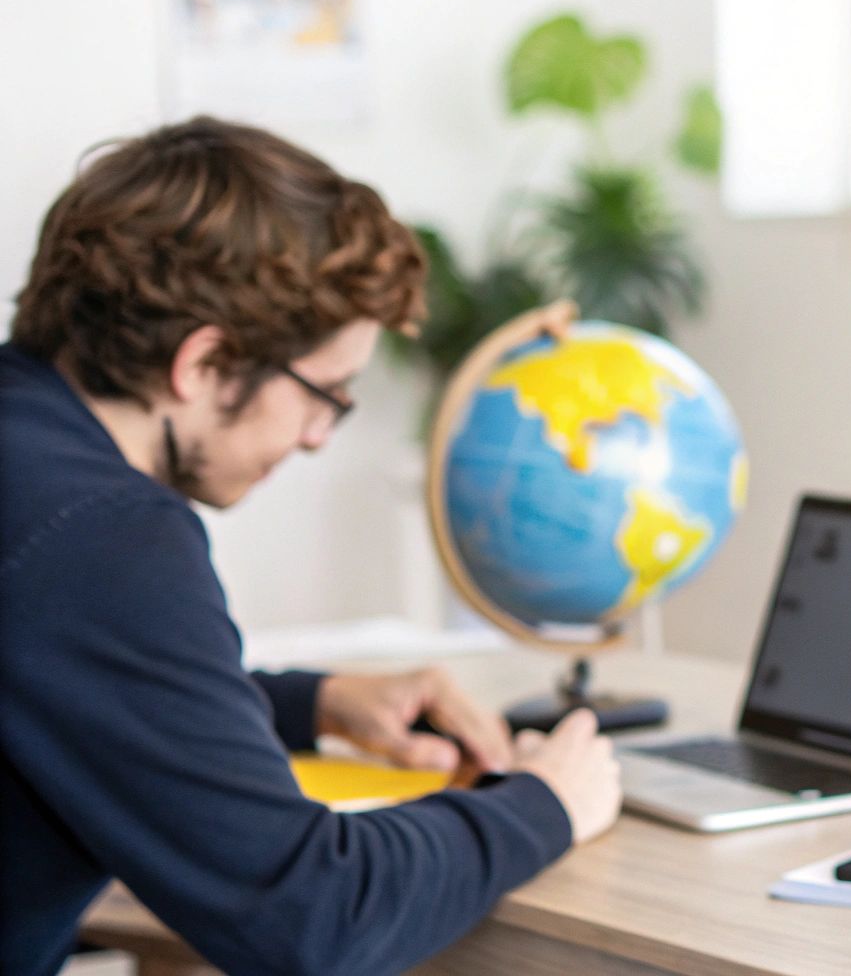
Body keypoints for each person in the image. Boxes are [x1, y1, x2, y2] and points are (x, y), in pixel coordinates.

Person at [0, 117, 623, 975]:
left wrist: (313, 702)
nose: (319, 437)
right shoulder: (104, 537)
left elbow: (58, 684)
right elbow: (310, 916)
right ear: (204, 362)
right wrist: (544, 806)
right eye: (323, 392)